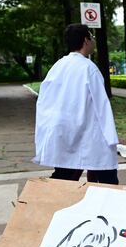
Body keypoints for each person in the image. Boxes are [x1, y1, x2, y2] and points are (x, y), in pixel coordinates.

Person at [34, 24, 120, 185]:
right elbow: (102, 107)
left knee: (63, 174)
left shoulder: (58, 66)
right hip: (86, 132)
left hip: (61, 131)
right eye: (92, 37)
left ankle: (46, 204)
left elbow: (43, 100)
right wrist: (112, 138)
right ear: (86, 40)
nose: (94, 41)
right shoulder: (89, 68)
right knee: (106, 175)